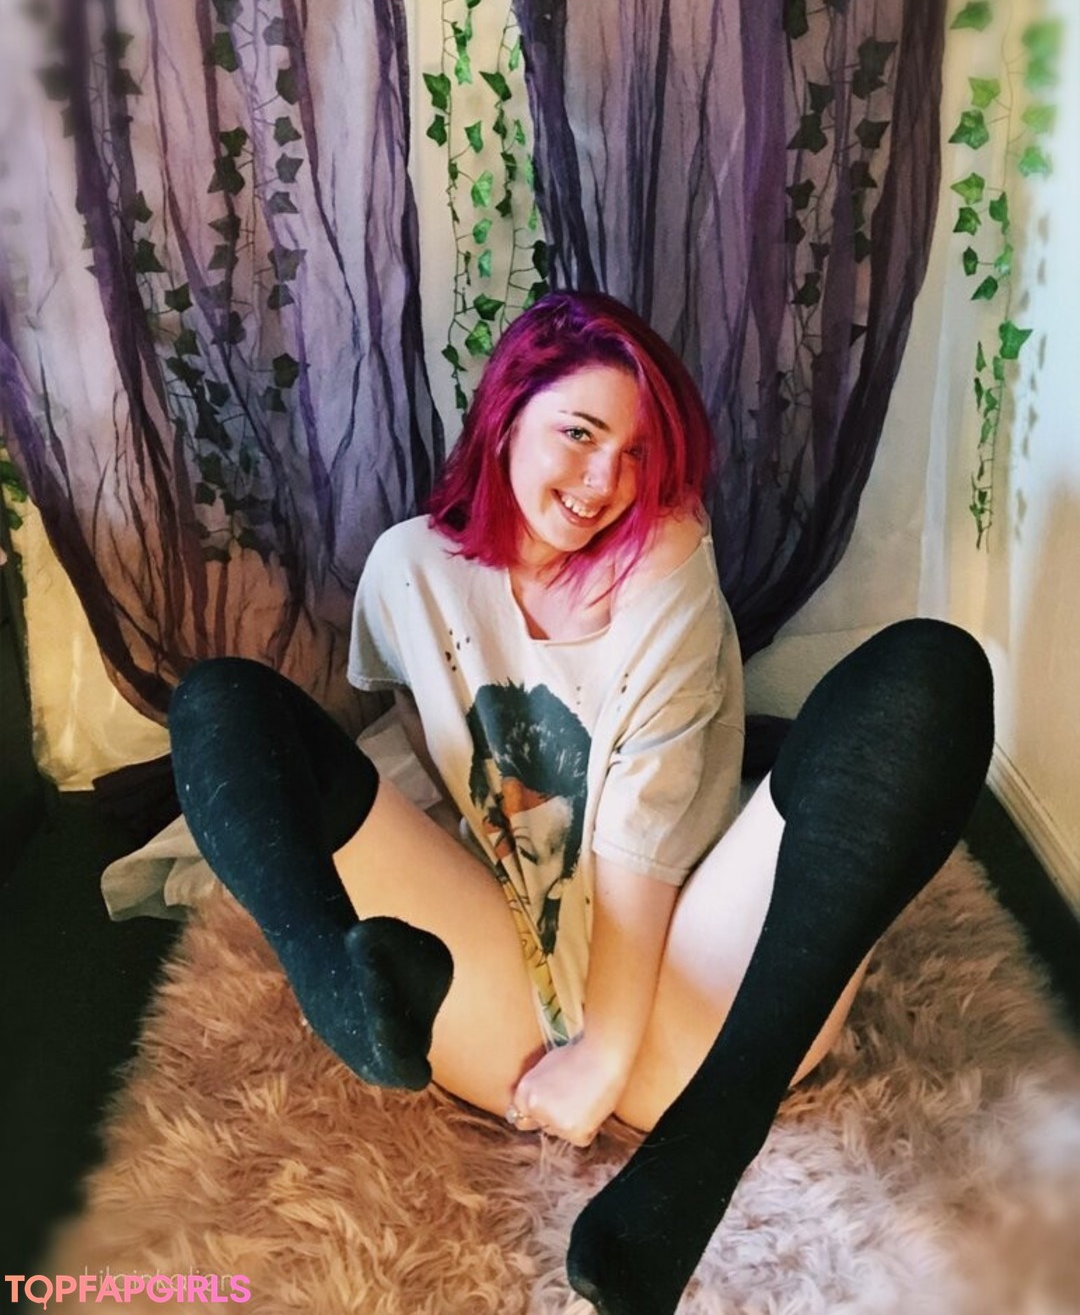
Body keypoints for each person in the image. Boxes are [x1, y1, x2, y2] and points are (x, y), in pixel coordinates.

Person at [169, 291, 994, 1315]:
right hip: (497, 1000)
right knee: (221, 701)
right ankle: (343, 996)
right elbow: (433, 739)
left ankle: (708, 1146)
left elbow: (641, 843)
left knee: (930, 673)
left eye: (639, 453)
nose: (607, 480)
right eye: (580, 432)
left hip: (701, 999)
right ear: (506, 413)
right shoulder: (406, 570)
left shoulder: (667, 567)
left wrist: (603, 1053)